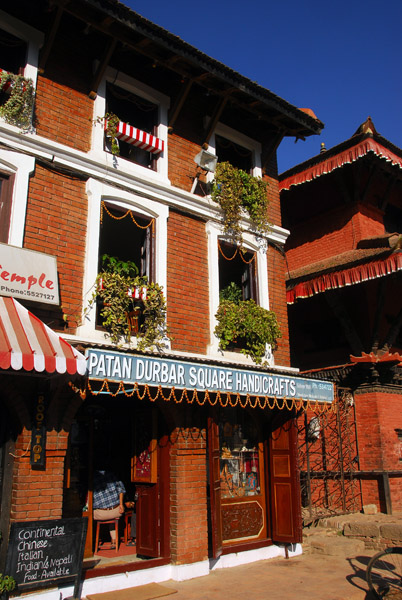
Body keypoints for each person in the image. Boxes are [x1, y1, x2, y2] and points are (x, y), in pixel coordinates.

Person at [93, 469, 126, 548]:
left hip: (100, 514)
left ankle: (93, 540)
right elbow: (121, 490)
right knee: (113, 518)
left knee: (87, 514)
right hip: (115, 511)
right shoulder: (112, 476)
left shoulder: (92, 478)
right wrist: (121, 504)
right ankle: (114, 540)